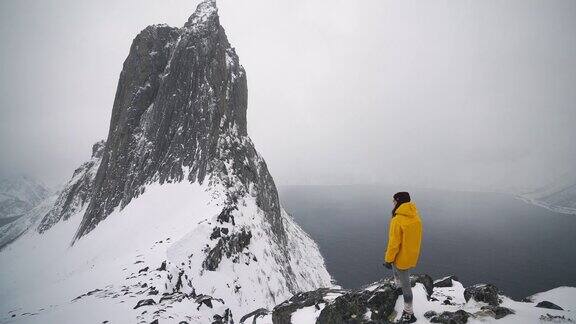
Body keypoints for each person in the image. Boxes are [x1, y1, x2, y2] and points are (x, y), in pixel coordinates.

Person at [383, 191, 423, 324]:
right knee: (397, 270)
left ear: (399, 201)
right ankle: (398, 287)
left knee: (406, 284)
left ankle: (408, 313)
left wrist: (388, 259)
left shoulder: (397, 220)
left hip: (401, 256)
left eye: (394, 200)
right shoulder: (415, 217)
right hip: (411, 254)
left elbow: (394, 243)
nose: (393, 203)